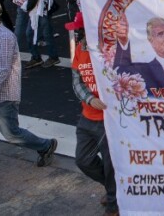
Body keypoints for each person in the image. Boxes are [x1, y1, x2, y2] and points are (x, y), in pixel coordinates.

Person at [0, 0, 57, 192]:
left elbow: (2, 72)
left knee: (12, 134)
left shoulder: (4, 37)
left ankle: (46, 146)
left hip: (3, 98)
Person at [69, 13, 118, 216]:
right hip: (87, 117)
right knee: (83, 160)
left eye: (78, 30)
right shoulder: (80, 49)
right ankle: (113, 189)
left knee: (111, 165)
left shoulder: (110, 50)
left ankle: (114, 204)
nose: (75, 34)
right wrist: (89, 99)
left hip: (108, 120)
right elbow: (76, 80)